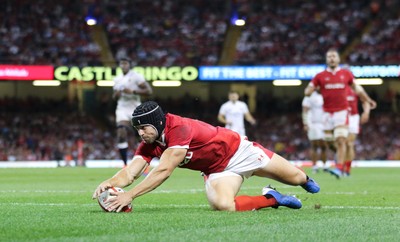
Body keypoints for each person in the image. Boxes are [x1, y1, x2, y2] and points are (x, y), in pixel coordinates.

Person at [92, 101, 320, 212]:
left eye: (144, 128)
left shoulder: (178, 128)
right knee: (223, 206)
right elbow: (131, 171)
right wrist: (109, 183)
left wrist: (129, 195)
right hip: (217, 170)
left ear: (158, 122)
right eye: (138, 129)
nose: (141, 133)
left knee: (298, 179)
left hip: (240, 152)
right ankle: (272, 198)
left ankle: (305, 180)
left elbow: (163, 170)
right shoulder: (149, 143)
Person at [304, 48, 376, 178]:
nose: (332, 58)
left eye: (334, 56)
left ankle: (341, 168)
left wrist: (368, 102)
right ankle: (340, 160)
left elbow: (359, 90)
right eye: (329, 56)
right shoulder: (320, 77)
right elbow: (308, 91)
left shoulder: (346, 76)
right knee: (329, 142)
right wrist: (315, 89)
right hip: (326, 114)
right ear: (326, 59)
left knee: (344, 141)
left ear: (338, 59)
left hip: (343, 113)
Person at [113, 57, 153, 166]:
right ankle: (125, 164)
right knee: (121, 133)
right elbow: (114, 97)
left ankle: (144, 163)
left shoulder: (136, 76)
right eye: (121, 63)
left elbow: (149, 91)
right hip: (122, 108)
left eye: (125, 63)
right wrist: (117, 93)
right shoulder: (117, 79)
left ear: (129, 65)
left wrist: (133, 91)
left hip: (135, 108)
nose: (123, 65)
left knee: (141, 136)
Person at [344, 86, 376, 176]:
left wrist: (366, 112)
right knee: (340, 143)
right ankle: (340, 165)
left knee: (349, 143)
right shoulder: (338, 87)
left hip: (353, 117)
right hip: (339, 116)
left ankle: (347, 169)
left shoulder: (356, 89)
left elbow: (365, 100)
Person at [301, 90, 328, 173]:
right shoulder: (309, 96)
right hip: (313, 123)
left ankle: (324, 165)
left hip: (325, 123)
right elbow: (305, 109)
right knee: (315, 145)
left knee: (324, 145)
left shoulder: (326, 94)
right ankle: (315, 166)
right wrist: (305, 123)